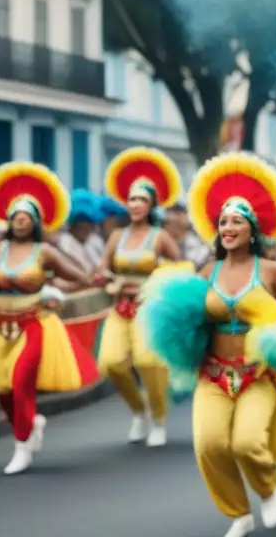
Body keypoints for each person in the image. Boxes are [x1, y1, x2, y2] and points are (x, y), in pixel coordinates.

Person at [140, 152, 276, 537]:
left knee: (248, 443)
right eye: (223, 221)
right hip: (213, 372)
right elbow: (186, 321)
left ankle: (268, 489)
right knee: (210, 445)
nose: (228, 227)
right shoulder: (206, 272)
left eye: (236, 221)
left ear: (253, 229)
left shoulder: (273, 271)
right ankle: (239, 511)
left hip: (259, 374)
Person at [0, 162, 99, 474]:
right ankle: (30, 423)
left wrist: (54, 289)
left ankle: (22, 445)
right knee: (0, 388)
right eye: (16, 217)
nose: (21, 221)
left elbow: (81, 277)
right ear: (9, 221)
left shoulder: (45, 252)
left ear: (36, 222)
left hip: (34, 324)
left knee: (21, 380)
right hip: (2, 325)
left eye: (26, 217)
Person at [97, 147, 183, 447]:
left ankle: (158, 418)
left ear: (151, 205)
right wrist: (109, 279)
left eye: (142, 200)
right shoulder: (116, 237)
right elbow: (102, 270)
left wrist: (159, 272)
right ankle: (138, 411)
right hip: (120, 307)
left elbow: (180, 268)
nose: (135, 205)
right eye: (132, 199)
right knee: (111, 363)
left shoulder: (160, 237)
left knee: (148, 361)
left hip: (149, 308)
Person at [58, 189, 104, 273]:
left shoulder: (96, 242)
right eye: (79, 221)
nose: (85, 226)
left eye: (88, 221)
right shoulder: (64, 243)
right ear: (72, 225)